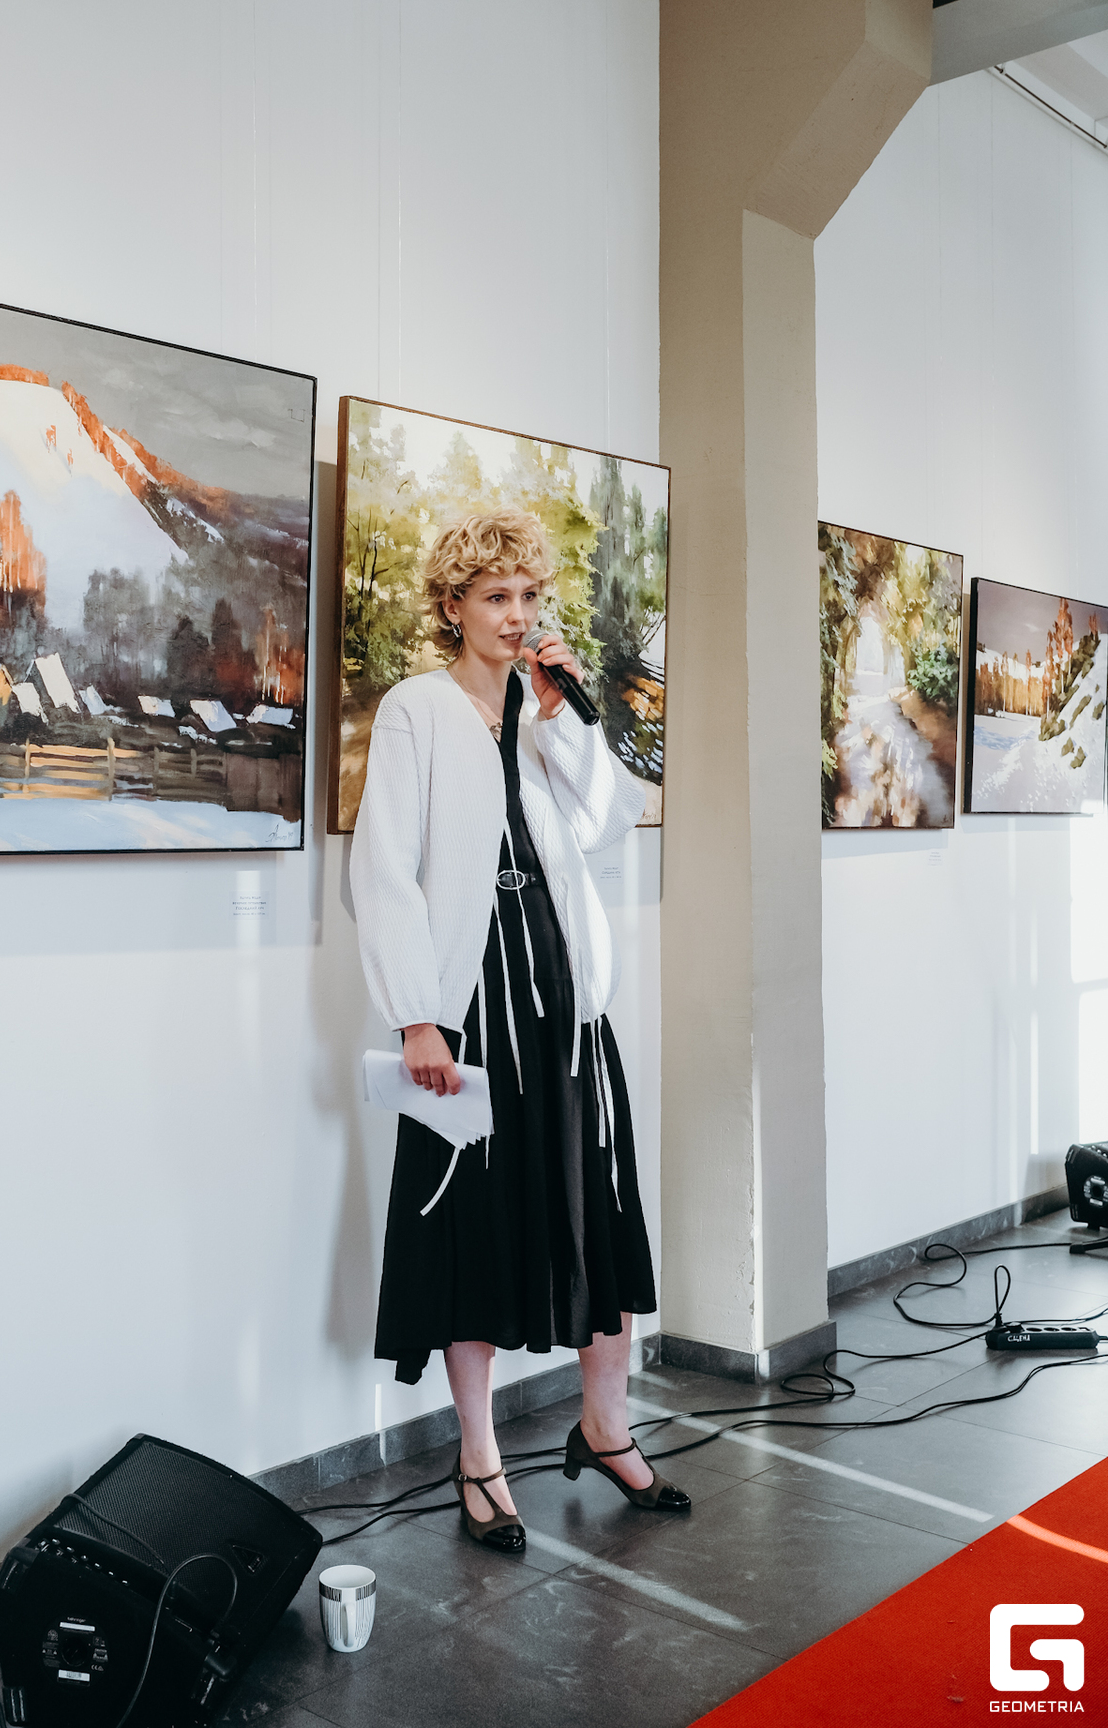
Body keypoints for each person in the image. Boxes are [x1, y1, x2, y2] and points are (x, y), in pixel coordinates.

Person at [351, 508, 687, 1551]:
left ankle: (606, 1425)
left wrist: (567, 720)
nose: (516, 614)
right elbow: (384, 870)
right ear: (453, 605)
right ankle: (478, 1453)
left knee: (597, 1208)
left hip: (564, 994)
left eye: (528, 596)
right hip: (472, 998)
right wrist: (416, 1017)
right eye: (495, 596)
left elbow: (604, 824)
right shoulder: (416, 708)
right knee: (475, 1223)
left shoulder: (542, 715)